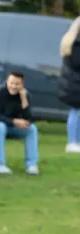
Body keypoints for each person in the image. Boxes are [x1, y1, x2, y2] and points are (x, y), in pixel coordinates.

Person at [0, 72, 39, 175]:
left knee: (31, 129)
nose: (14, 86)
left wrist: (24, 100)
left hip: (11, 125)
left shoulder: (25, 95)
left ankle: (31, 165)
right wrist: (14, 121)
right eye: (11, 83)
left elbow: (29, 119)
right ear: (7, 81)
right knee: (0, 127)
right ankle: (0, 164)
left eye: (17, 84)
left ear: (22, 84)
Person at [58, 17, 80, 154]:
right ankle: (72, 141)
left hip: (73, 83)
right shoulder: (77, 44)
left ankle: (75, 141)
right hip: (76, 84)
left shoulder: (71, 41)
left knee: (76, 112)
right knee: (76, 112)